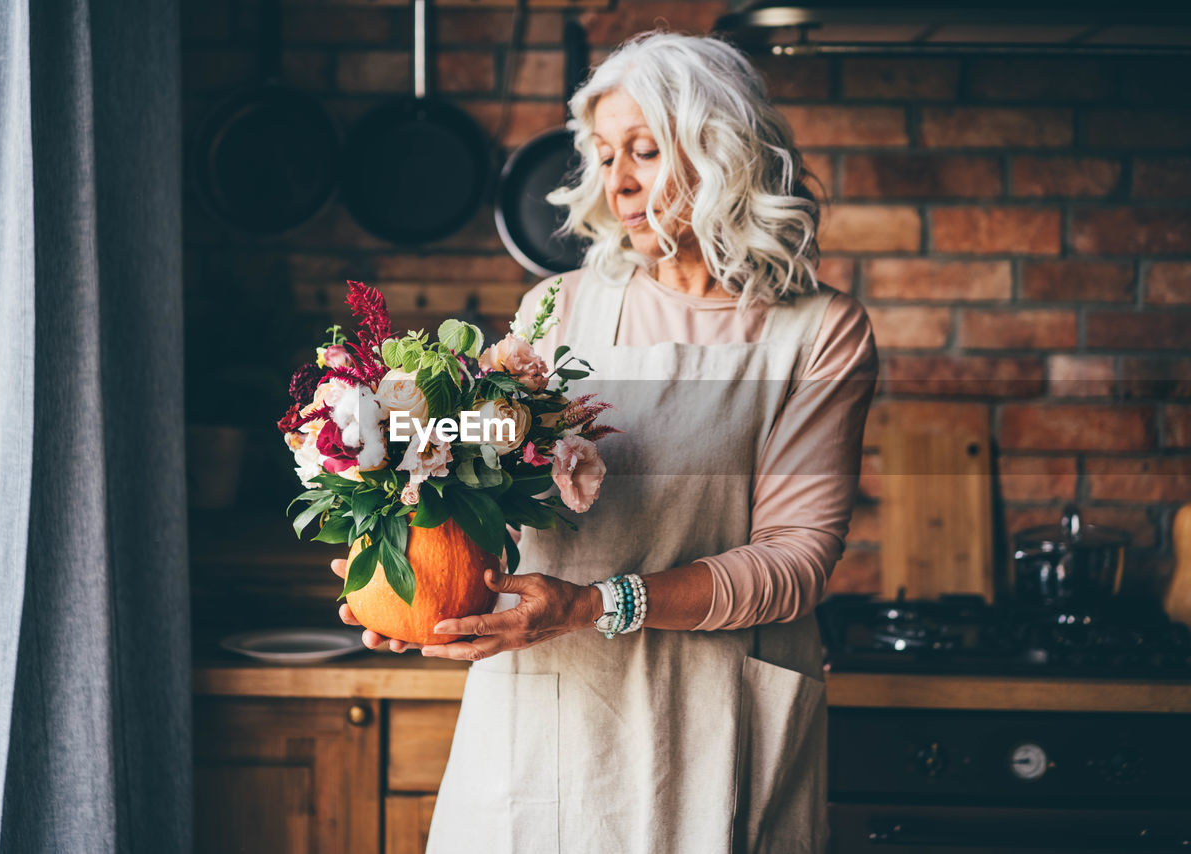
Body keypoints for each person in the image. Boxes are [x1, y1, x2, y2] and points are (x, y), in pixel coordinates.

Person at [334, 30, 877, 853]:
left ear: (722, 152)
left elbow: (797, 559)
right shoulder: (554, 312)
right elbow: (480, 492)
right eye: (604, 154)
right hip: (546, 713)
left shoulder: (818, 334)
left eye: (646, 151)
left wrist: (596, 605)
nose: (617, 182)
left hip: (716, 712)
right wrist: (410, 563)